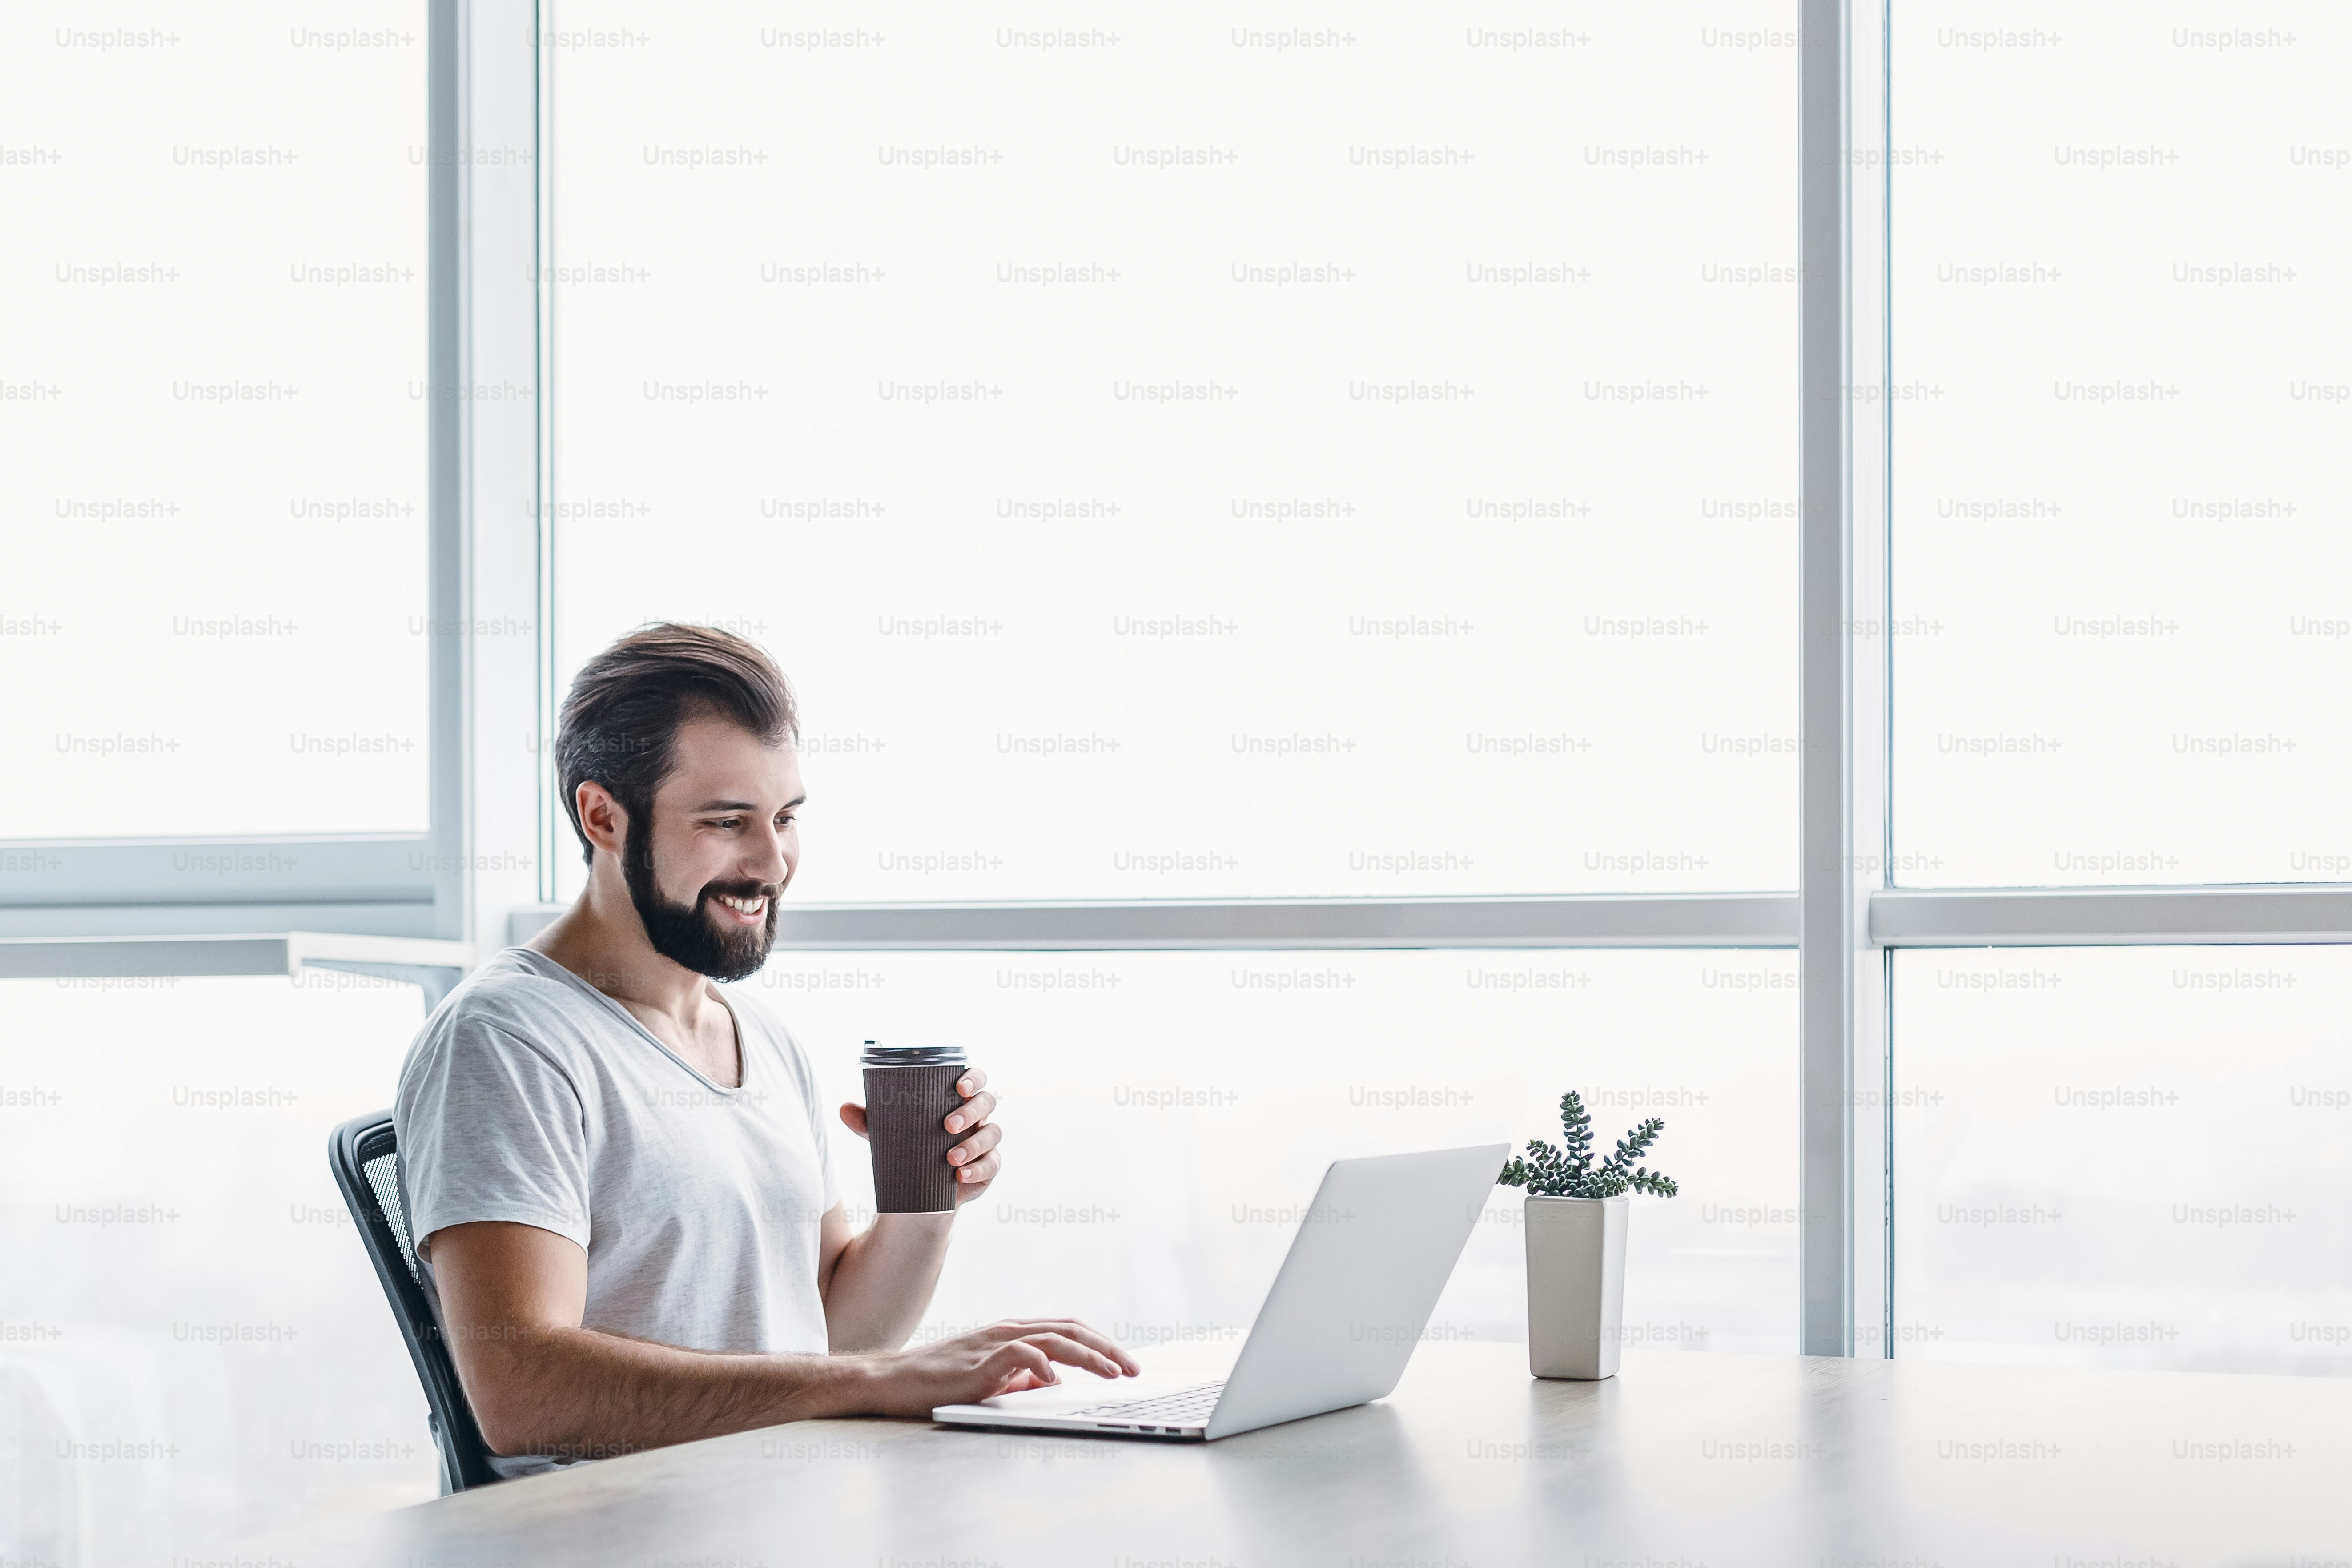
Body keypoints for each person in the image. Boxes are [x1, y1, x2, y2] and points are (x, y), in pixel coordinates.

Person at [394, 623, 1136, 1474]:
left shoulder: (761, 1037)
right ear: (602, 816)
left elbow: (830, 1333)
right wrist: (881, 1378)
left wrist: (926, 1202)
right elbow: (524, 1390)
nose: (772, 862)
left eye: (785, 818)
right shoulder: (507, 1042)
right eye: (726, 822)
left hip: (787, 1505)